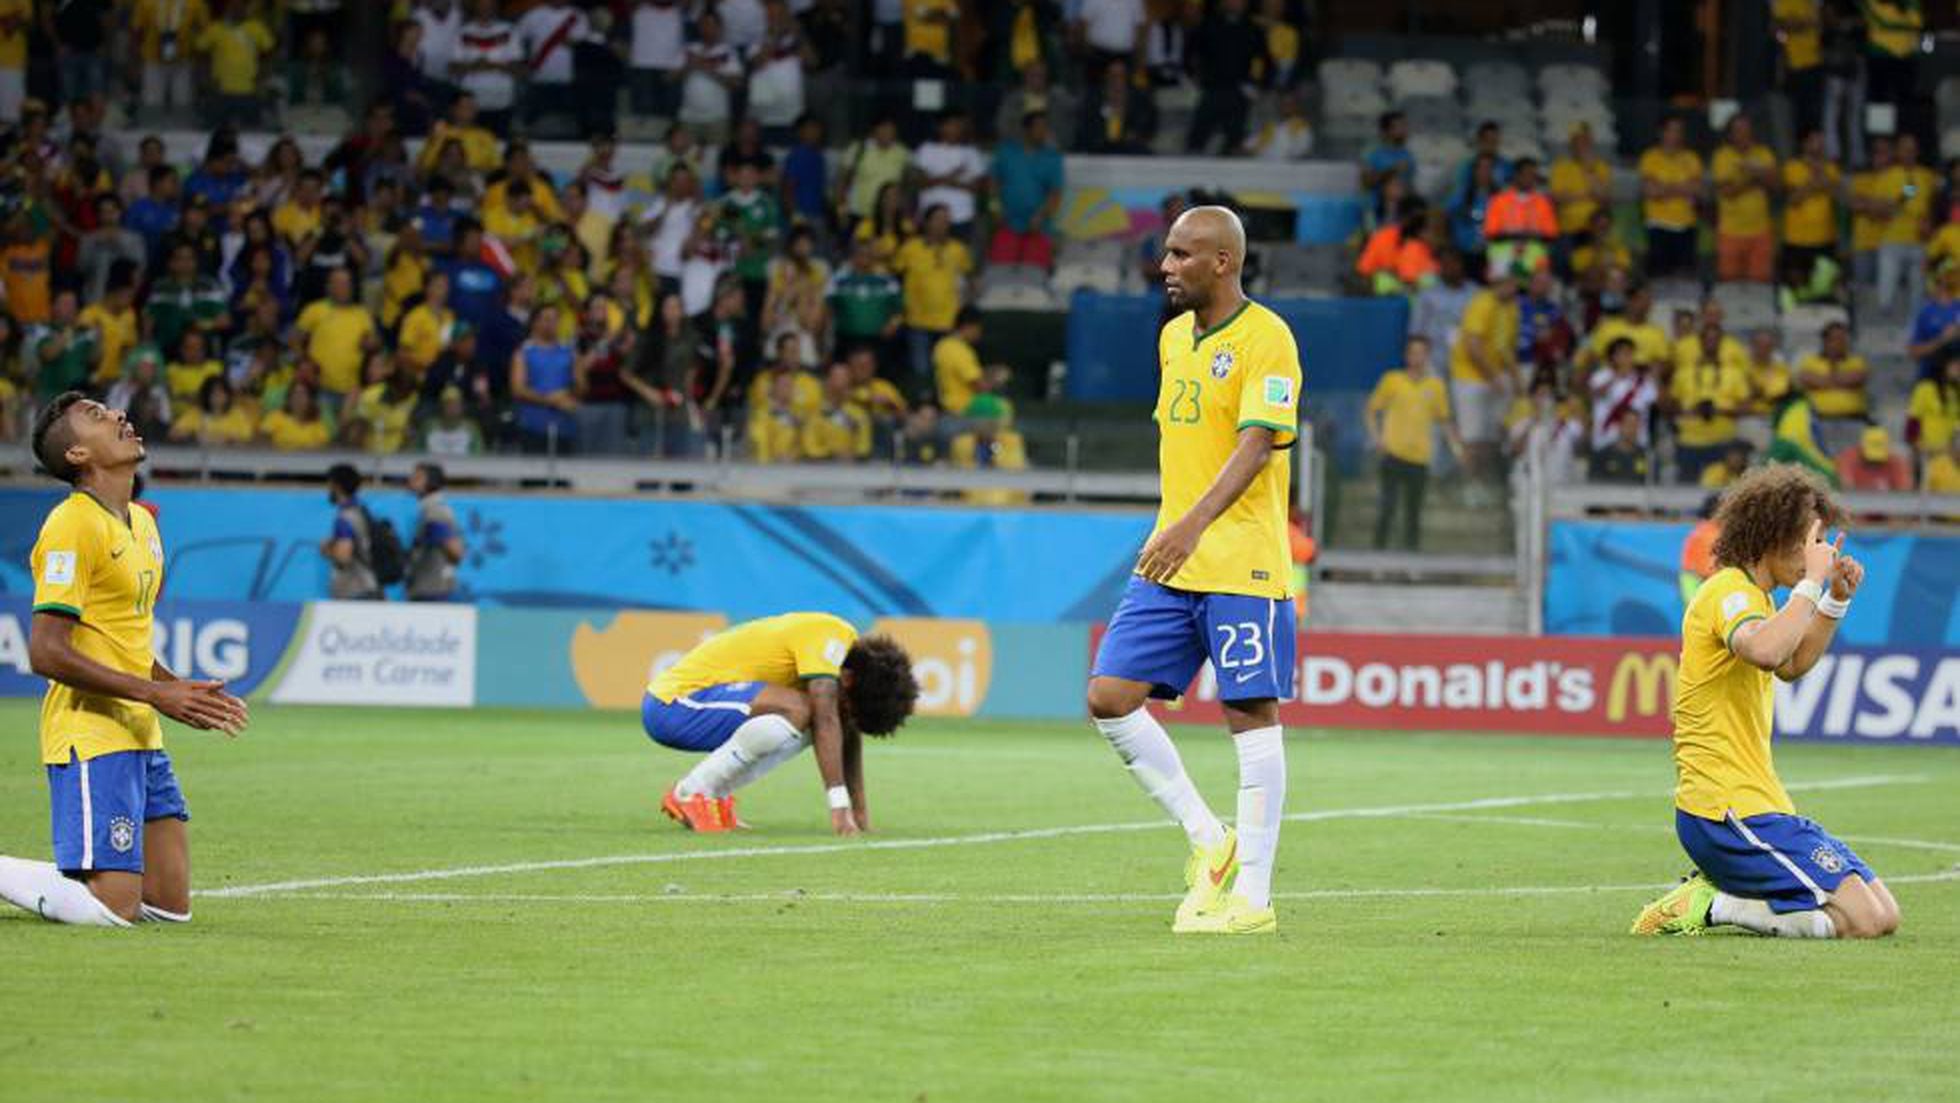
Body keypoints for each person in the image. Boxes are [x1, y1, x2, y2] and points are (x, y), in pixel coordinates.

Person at [1086, 206, 1301, 936]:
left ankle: (1256, 897)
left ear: (1223, 262)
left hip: (1240, 559)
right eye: (1166, 253)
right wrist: (1176, 529)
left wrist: (1192, 522)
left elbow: (1257, 443)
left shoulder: (1268, 337)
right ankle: (1210, 837)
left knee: (1249, 715)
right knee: (1110, 695)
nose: (1166, 266)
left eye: (1182, 254)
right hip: (1171, 559)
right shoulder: (1174, 337)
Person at [0, 393, 248, 928]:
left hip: (139, 729)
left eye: (108, 410)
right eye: (95, 416)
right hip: (90, 732)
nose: (116, 415)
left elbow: (123, 638)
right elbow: (45, 651)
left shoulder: (142, 522)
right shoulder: (72, 525)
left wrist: (175, 687)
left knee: (168, 907)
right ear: (77, 457)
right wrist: (157, 694)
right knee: (114, 910)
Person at [1631, 467, 1898, 940]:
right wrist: (1812, 585)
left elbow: (1790, 664)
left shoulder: (1760, 598)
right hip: (1722, 810)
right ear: (1769, 536)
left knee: (1884, 913)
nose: (1815, 554)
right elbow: (1764, 650)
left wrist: (1834, 599)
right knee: (1866, 921)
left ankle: (1727, 899)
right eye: (1805, 542)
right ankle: (1715, 904)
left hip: (1762, 804)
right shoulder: (1726, 590)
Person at [644, 613, 918, 834]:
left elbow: (844, 731)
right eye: (849, 708)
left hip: (700, 708)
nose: (843, 715)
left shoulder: (843, 661)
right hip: (672, 705)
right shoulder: (830, 639)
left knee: (817, 718)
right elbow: (827, 718)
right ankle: (691, 792)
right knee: (807, 709)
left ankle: (712, 798)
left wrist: (859, 814)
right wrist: (838, 809)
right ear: (848, 681)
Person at [1365, 335, 1464, 550]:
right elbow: (1372, 410)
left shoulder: (1436, 386)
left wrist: (1457, 449)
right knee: (1387, 508)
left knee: (1413, 513)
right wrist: (1377, 439)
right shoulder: (1392, 380)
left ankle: (1411, 563)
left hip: (1419, 458)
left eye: (1421, 353)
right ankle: (1376, 559)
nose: (1416, 357)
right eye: (1412, 352)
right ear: (1406, 355)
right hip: (1393, 454)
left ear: (1427, 356)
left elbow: (1445, 420)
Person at [1448, 266, 1522, 504]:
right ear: (1498, 282)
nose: (1513, 286)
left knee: (1491, 437)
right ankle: (1467, 486)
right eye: (1509, 282)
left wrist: (1515, 377)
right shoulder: (1481, 304)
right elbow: (1473, 347)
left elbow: (1506, 347)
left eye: (1514, 282)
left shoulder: (1512, 308)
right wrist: (1494, 378)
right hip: (1470, 378)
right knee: (1472, 438)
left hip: (1495, 378)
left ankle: (1484, 483)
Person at [1710, 114, 1778, 283]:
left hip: (1760, 232)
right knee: (1729, 283)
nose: (1744, 135)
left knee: (1760, 284)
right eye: (1739, 131)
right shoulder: (1722, 156)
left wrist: (1756, 174)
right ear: (1731, 135)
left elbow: (1775, 185)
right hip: (1730, 232)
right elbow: (1727, 192)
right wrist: (1754, 177)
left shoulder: (1764, 153)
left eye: (1747, 130)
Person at [1638, 117, 1705, 278]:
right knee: (1659, 277)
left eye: (1679, 131)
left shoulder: (1691, 158)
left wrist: (1664, 187)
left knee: (1685, 277)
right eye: (1672, 130)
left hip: (1686, 226)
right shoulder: (1650, 158)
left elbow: (1697, 190)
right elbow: (1650, 191)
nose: (1677, 134)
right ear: (1661, 133)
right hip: (1658, 226)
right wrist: (1682, 188)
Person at [321, 463, 384, 600]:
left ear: (336, 486)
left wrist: (327, 549)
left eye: (329, 485)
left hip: (355, 590)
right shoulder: (364, 512)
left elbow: (344, 556)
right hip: (372, 585)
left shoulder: (345, 518)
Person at [405, 462, 464, 602]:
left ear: (431, 482)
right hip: (427, 587)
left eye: (418, 477)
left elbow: (456, 551)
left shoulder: (435, 512)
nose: (411, 480)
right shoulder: (427, 510)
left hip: (432, 591)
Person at [1833, 424, 1912, 491]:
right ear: (1861, 447)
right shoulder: (1848, 459)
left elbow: (1904, 492)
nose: (1874, 463)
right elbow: (1846, 488)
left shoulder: (1897, 463)